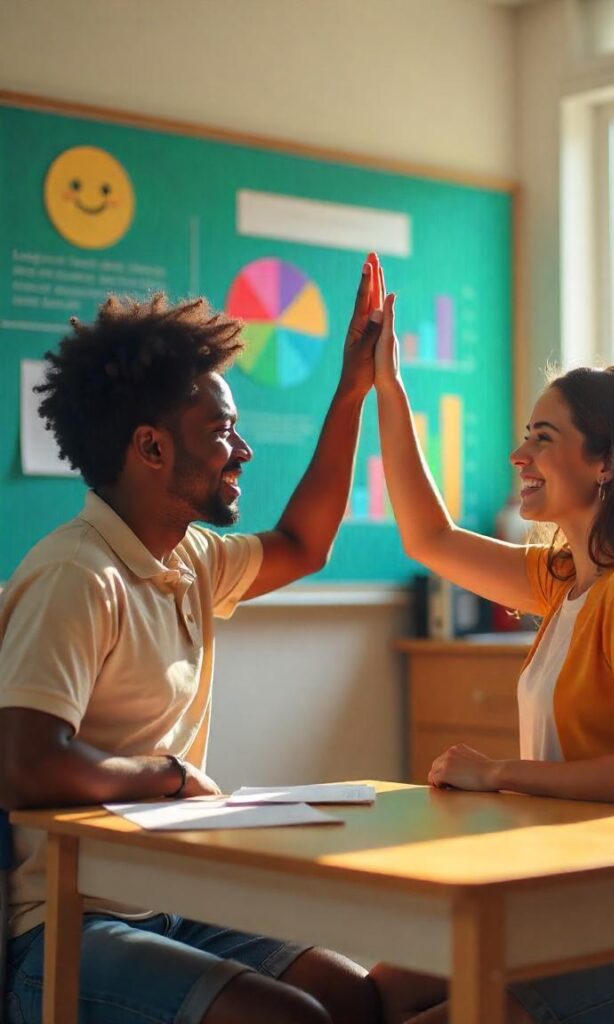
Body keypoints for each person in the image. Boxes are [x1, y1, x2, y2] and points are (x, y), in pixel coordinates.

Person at [0, 256, 387, 1024]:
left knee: (356, 999)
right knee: (295, 1021)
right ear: (151, 449)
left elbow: (306, 542)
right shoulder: (79, 575)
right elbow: (26, 762)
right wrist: (169, 777)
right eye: (221, 432)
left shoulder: (190, 558)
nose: (240, 453)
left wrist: (352, 391)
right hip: (71, 926)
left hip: (172, 900)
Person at [367, 272, 614, 1024]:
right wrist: (388, 389)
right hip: (573, 915)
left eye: (544, 438)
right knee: (374, 992)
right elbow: (427, 537)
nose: (519, 455)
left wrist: (499, 773)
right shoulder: (568, 579)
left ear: (606, 463)